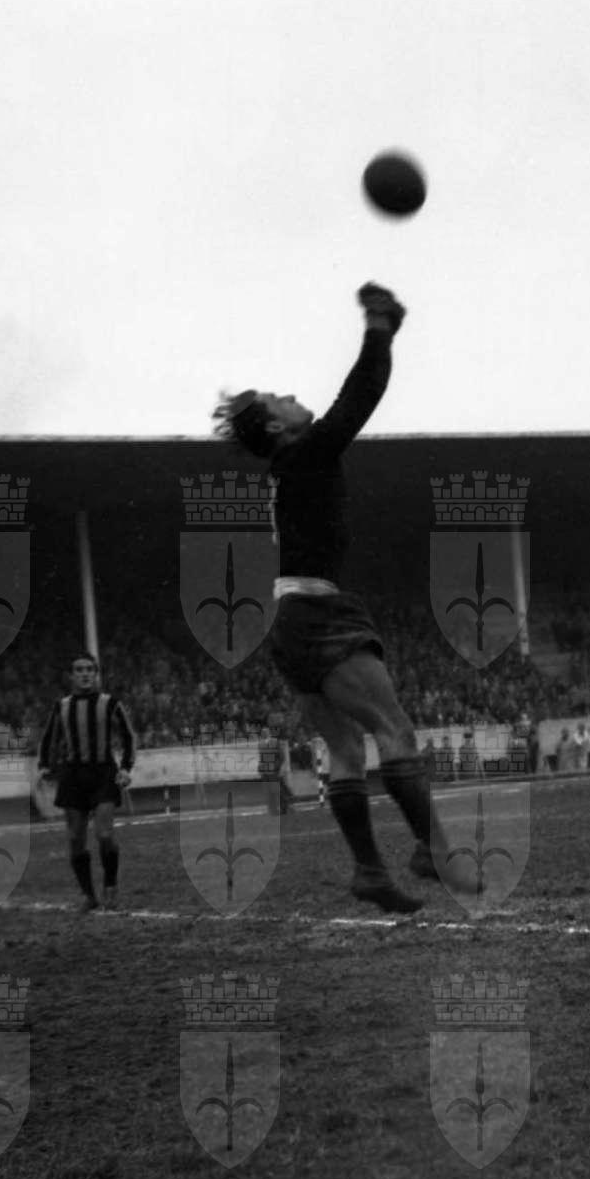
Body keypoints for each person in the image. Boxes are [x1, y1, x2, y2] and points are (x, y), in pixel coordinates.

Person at [212, 283, 475, 913]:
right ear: (277, 425)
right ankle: (435, 851)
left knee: (347, 748)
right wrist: (379, 326)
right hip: (318, 612)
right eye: (280, 399)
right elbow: (360, 395)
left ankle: (369, 870)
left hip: (289, 620)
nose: (291, 395)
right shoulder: (304, 453)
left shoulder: (289, 469)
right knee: (395, 729)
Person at [37, 654, 135, 912]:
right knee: (75, 839)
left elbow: (129, 736)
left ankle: (110, 886)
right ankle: (88, 895)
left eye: (90, 669)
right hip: (73, 776)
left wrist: (126, 768)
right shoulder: (62, 706)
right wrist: (44, 765)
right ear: (71, 676)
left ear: (96, 674)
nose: (85, 674)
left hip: (103, 774)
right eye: (79, 669)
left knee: (104, 834)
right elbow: (49, 737)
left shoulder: (110, 703)